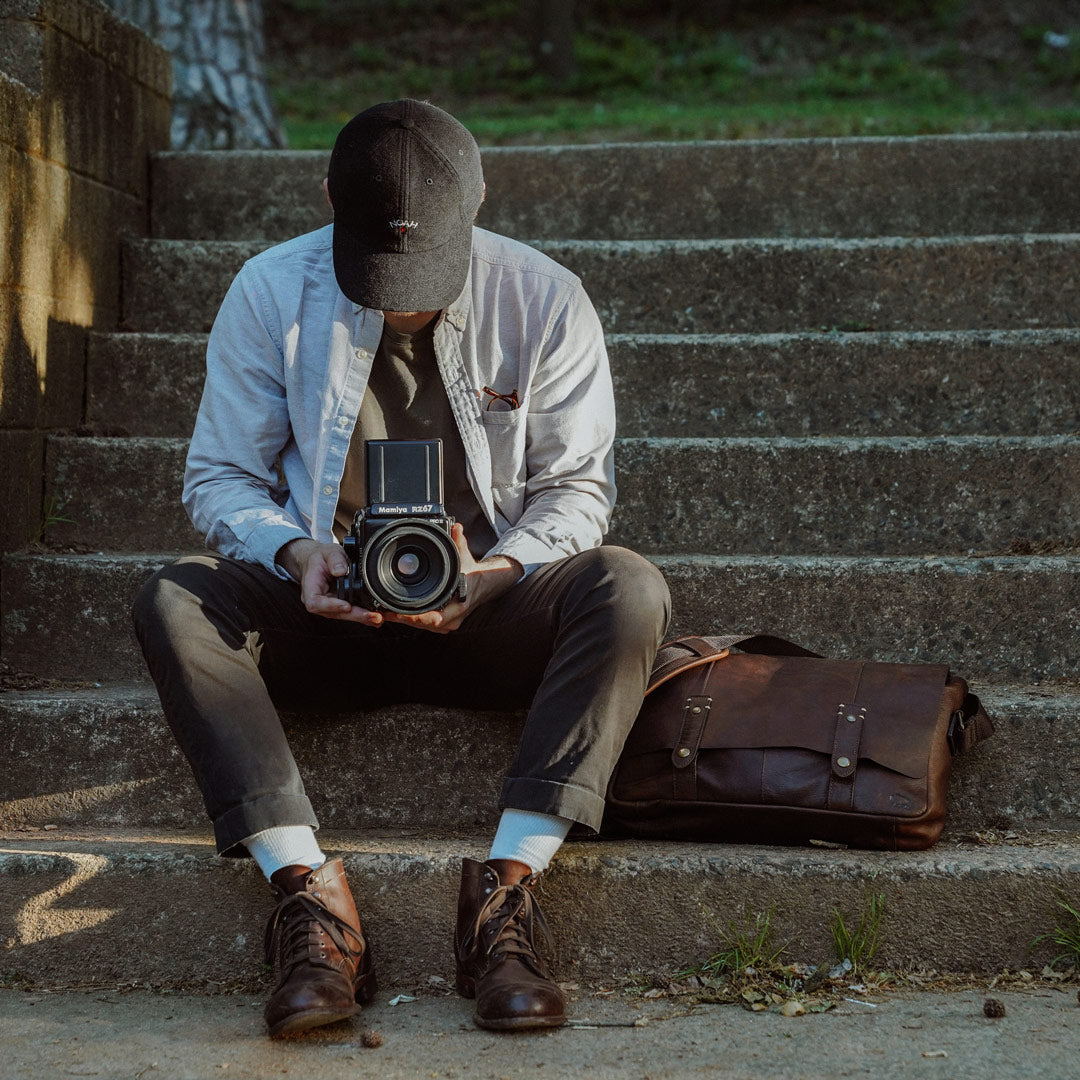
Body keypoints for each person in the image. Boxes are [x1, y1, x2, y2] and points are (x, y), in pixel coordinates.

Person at [132, 98, 670, 1037]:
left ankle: (504, 900)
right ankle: (311, 905)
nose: (404, 296)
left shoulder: (544, 296)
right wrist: (299, 551)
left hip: (488, 609)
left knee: (627, 585)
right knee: (176, 596)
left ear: (479, 203)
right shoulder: (270, 289)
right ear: (328, 200)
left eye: (426, 271)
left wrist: (494, 575)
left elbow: (579, 490)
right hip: (326, 609)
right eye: (380, 271)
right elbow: (218, 477)